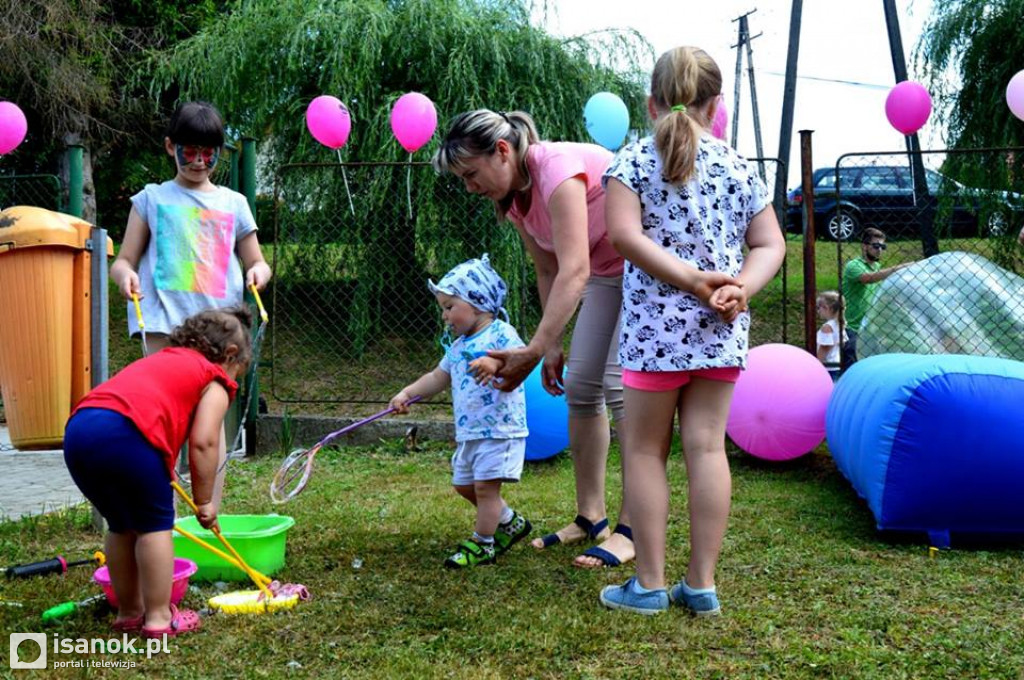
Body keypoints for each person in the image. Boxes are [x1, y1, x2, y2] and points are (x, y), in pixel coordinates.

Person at [598, 46, 785, 615]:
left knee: (645, 450)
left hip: (655, 338)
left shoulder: (630, 163)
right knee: (706, 449)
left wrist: (693, 282)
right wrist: (737, 289)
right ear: (716, 104)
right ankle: (700, 583)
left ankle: (649, 585)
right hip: (720, 334)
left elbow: (625, 238)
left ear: (650, 102)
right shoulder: (737, 167)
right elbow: (770, 244)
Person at [433, 109, 634, 568]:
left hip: (643, 271)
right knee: (581, 389)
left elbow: (574, 268)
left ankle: (631, 528)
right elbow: (548, 269)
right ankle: (591, 517)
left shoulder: (556, 170)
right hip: (607, 274)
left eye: (471, 174)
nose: (469, 187)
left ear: (502, 151)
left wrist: (535, 347)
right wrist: (554, 343)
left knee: (620, 393)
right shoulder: (514, 199)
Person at [109, 101, 272, 507]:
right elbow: (124, 260)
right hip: (164, 326)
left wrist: (258, 275)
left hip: (218, 333)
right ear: (170, 147)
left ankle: (208, 507)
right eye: (190, 151)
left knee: (210, 425)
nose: (199, 161)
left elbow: (257, 261)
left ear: (219, 152)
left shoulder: (233, 203)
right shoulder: (151, 199)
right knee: (163, 420)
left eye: (208, 152)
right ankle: (159, 509)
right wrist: (125, 277)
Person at [63, 307, 253, 637]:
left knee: (121, 526)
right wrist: (204, 501)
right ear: (230, 355)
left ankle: (128, 612)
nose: (234, 380)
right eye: (239, 371)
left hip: (80, 432)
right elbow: (205, 442)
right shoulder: (214, 378)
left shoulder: (163, 361)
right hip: (129, 434)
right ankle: (159, 618)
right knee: (154, 526)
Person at [389, 255, 532, 569]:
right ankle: (510, 522)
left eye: (449, 307)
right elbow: (438, 377)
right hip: (470, 432)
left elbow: (523, 357)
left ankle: (483, 544)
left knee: (484, 487)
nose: (444, 315)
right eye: (443, 307)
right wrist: (408, 394)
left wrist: (496, 362)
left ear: (477, 303)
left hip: (499, 430)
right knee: (463, 485)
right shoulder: (456, 348)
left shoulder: (501, 334)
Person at [840, 228, 912, 366]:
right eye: (876, 246)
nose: (879, 250)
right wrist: (900, 268)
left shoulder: (876, 266)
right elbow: (868, 278)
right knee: (852, 367)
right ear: (864, 246)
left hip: (870, 328)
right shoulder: (854, 265)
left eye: (882, 247)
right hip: (852, 327)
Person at [815, 291, 847, 381]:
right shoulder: (839, 324)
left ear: (827, 308)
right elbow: (842, 344)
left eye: (819, 308)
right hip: (836, 363)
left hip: (826, 366)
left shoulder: (827, 327)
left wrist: (817, 364)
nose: (818, 311)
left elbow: (824, 348)